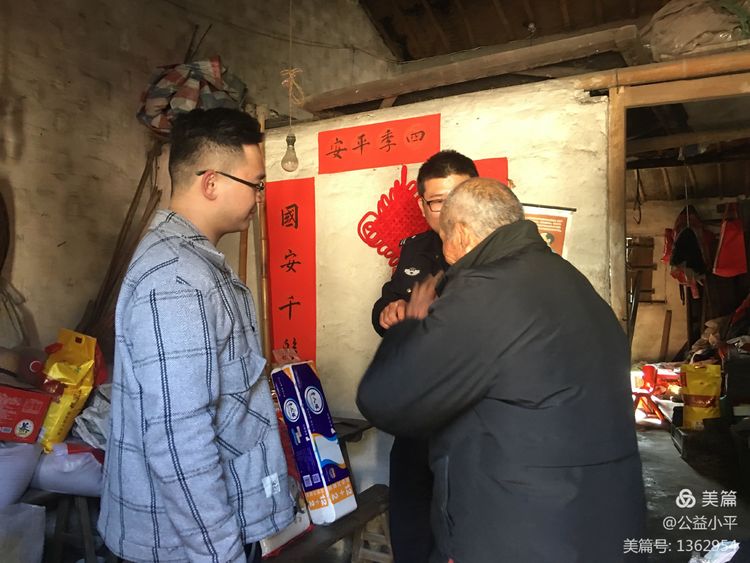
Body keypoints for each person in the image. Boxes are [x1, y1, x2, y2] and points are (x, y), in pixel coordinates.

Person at [358, 178, 646, 563]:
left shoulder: (483, 292)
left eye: (444, 237)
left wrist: (413, 324)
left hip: (518, 532)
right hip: (601, 524)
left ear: (461, 233)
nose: (443, 251)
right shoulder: (572, 282)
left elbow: (384, 398)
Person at [98, 108, 294, 563]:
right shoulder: (176, 280)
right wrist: (221, 553)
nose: (259, 197)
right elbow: (178, 440)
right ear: (211, 183)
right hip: (181, 547)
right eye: (256, 184)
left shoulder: (194, 266)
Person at [370, 150, 478, 563]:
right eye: (437, 202)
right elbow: (388, 301)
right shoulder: (415, 249)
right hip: (418, 412)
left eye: (459, 197)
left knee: (467, 528)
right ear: (422, 205)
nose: (448, 211)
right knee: (412, 520)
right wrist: (390, 312)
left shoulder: (497, 254)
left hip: (472, 418)